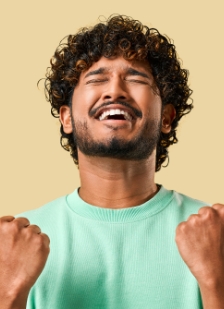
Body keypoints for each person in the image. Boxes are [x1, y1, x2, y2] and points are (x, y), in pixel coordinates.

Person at [0, 14, 224, 309]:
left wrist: (215, 284)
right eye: (97, 79)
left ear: (167, 118)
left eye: (136, 78)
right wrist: (9, 293)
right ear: (66, 118)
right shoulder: (12, 244)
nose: (115, 90)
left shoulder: (216, 236)